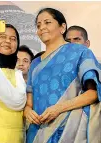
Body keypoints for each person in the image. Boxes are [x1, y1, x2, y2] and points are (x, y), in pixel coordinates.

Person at [24, 8, 101, 143]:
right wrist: (27, 111)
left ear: (62, 27)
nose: (42, 27)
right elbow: (29, 102)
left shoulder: (80, 52)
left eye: (47, 22)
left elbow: (94, 93)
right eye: (38, 25)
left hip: (71, 131)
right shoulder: (35, 64)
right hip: (37, 132)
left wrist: (59, 108)